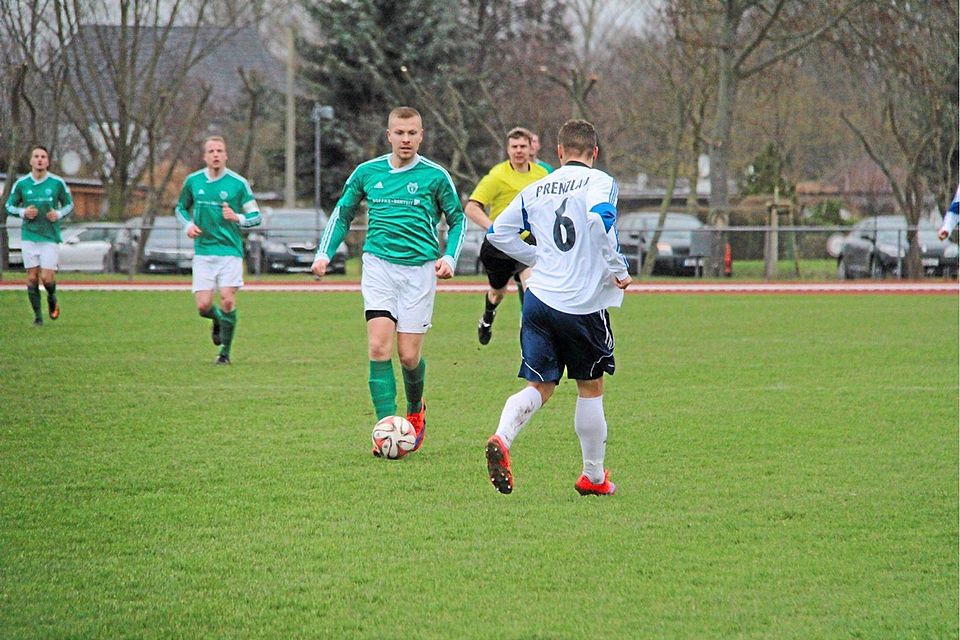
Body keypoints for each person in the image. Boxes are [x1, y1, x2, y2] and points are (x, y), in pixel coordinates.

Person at [483, 119, 631, 496]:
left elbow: (497, 232)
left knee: (540, 383)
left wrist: (536, 256)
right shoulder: (600, 181)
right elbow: (600, 219)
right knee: (589, 385)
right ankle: (593, 477)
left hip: (538, 298)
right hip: (581, 303)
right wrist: (618, 268)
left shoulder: (536, 187)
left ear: (560, 153)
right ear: (594, 153)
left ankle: (502, 437)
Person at [311, 106, 466, 455]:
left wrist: (449, 256)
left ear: (421, 135)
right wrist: (324, 254)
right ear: (389, 135)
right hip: (379, 266)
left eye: (412, 133)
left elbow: (457, 220)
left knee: (408, 356)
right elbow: (343, 213)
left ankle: (415, 410)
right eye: (400, 133)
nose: (406, 139)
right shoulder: (368, 172)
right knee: (379, 347)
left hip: (419, 272)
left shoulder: (435, 176)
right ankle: (385, 432)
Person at [174, 136, 261, 365]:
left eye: (219, 150)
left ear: (225, 156)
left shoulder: (238, 184)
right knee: (203, 306)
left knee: (227, 301)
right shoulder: (193, 182)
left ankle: (224, 353)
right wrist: (187, 225)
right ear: (205, 156)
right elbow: (181, 207)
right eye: (211, 151)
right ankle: (219, 320)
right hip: (203, 251)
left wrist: (238, 217)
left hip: (230, 251)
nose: (215, 154)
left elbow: (256, 216)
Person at [465, 127, 548, 346]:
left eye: (523, 146)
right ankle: (487, 318)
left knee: (532, 287)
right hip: (499, 246)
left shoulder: (542, 175)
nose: (519, 151)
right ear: (507, 149)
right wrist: (495, 229)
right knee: (497, 293)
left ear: (531, 148)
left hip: (526, 241)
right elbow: (472, 207)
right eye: (514, 147)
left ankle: (531, 341)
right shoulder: (497, 176)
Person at [5, 146, 74, 326]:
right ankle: (38, 317)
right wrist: (22, 212)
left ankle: (52, 296)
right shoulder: (22, 184)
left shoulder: (57, 183)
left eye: (43, 156)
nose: (40, 159)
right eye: (36, 156)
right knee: (32, 278)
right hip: (29, 236)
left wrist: (58, 214)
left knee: (47, 278)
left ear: (48, 161)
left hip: (49, 236)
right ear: (31, 161)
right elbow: (9, 206)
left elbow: (69, 205)